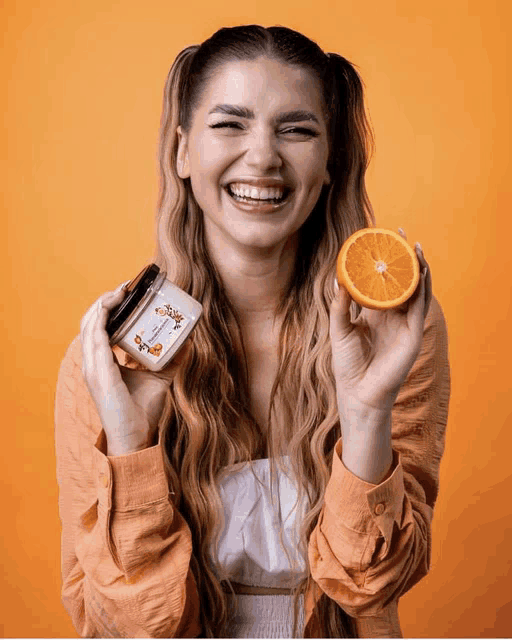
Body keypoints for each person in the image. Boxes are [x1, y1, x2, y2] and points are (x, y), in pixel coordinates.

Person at [54, 24, 451, 638]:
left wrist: (367, 411)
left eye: (297, 129)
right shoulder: (113, 362)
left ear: (330, 162)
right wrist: (132, 448)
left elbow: (372, 584)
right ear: (183, 152)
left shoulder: (391, 331)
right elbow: (123, 622)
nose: (263, 156)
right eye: (229, 124)